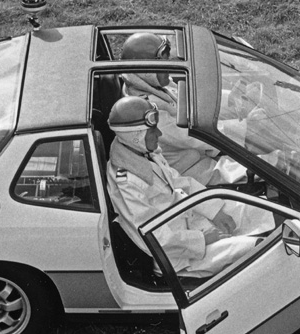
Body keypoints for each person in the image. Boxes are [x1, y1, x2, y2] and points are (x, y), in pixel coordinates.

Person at [105, 96, 269, 279]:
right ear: (136, 137)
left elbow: (183, 183)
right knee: (259, 248)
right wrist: (202, 239)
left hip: (192, 221)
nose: (159, 134)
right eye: (152, 131)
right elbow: (153, 236)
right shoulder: (127, 180)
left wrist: (216, 212)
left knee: (260, 209)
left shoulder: (144, 154)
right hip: (181, 257)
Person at [119, 32, 246, 186]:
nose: (170, 68)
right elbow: (193, 136)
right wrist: (245, 128)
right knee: (255, 170)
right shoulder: (144, 110)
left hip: (198, 153)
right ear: (146, 71)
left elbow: (191, 99)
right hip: (187, 169)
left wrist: (230, 99)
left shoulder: (150, 84)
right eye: (163, 65)